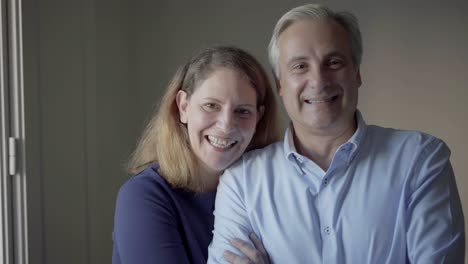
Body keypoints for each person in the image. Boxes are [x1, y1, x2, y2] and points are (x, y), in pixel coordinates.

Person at [208, 4, 465, 263]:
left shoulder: (420, 160)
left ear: (357, 73)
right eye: (300, 66)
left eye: (334, 62)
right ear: (280, 85)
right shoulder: (241, 182)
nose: (319, 80)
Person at [112, 46, 281, 264]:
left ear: (258, 118)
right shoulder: (143, 196)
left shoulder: (264, 192)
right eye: (211, 105)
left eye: (242, 111)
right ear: (183, 107)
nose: (226, 125)